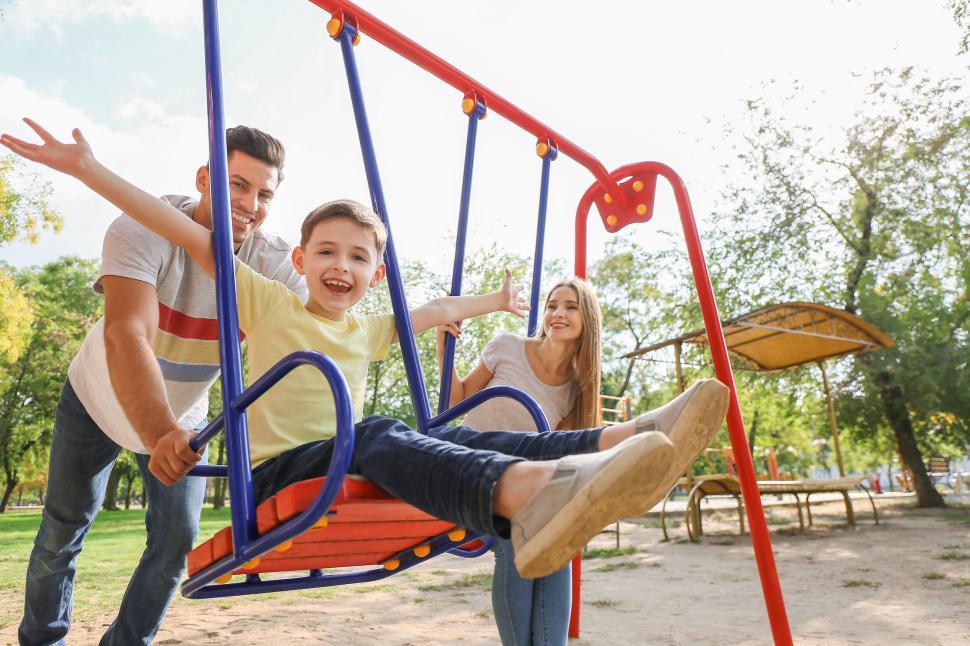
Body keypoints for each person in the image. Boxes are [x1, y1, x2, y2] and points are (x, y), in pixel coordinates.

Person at [1, 120, 730, 589]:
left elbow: (436, 312)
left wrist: (493, 306)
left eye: (356, 257)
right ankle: (528, 495)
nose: (340, 266)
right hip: (282, 471)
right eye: (326, 252)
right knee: (380, 432)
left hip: (337, 456)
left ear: (373, 275)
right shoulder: (267, 296)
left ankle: (621, 440)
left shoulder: (366, 328)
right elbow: (173, 225)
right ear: (299, 259)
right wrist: (88, 169)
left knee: (455, 435)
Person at [7, 120, 307, 646]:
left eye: (264, 194)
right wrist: (158, 431)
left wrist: (426, 314)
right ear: (204, 178)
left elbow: (330, 320)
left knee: (176, 541)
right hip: (98, 398)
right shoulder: (142, 229)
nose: (251, 204)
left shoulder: (272, 263)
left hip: (186, 413)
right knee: (62, 529)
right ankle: (41, 640)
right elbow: (127, 334)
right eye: (238, 184)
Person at [436, 277, 603, 646]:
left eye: (571, 307)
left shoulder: (577, 388)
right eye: (552, 305)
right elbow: (455, 401)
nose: (558, 313)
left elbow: (558, 456)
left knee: (554, 538)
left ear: (587, 319)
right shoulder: (507, 346)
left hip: (515, 486)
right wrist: (442, 344)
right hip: (468, 468)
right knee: (516, 534)